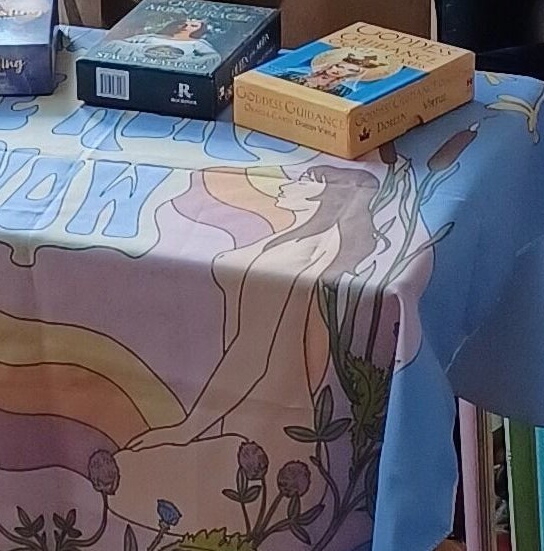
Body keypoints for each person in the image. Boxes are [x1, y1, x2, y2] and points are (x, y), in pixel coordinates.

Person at [127, 165, 381, 449]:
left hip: (259, 418)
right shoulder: (311, 242)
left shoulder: (297, 254)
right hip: (262, 409)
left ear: (326, 194)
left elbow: (251, 351)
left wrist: (188, 429)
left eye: (307, 180)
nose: (289, 183)